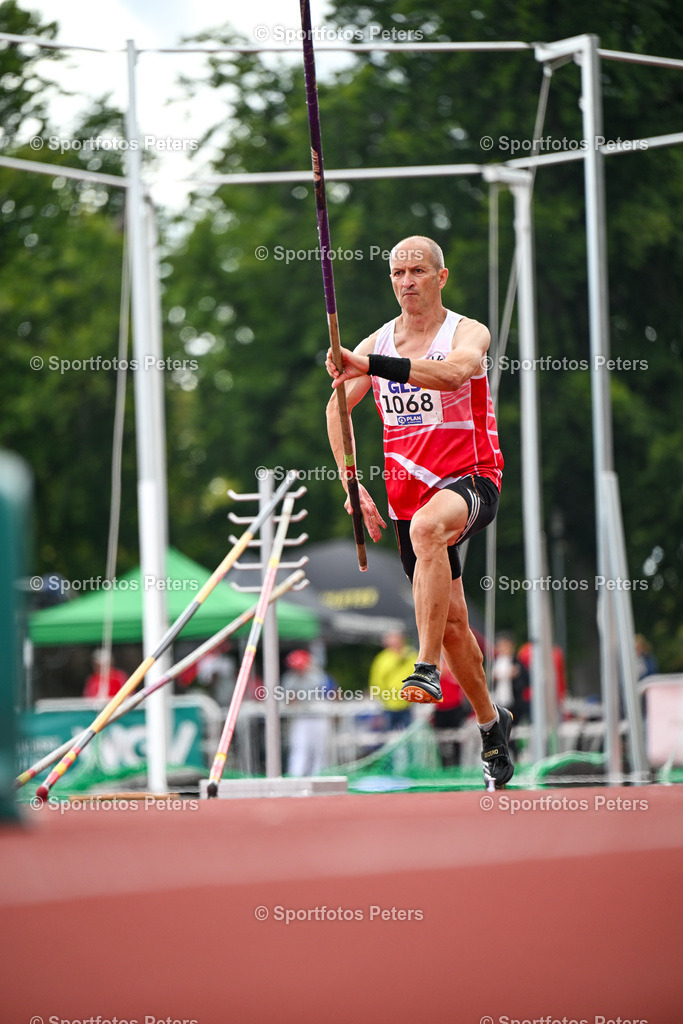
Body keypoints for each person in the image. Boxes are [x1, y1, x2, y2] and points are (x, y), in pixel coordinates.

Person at [325, 234, 513, 788]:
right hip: (408, 498)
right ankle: (490, 724)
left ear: (440, 277)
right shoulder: (377, 340)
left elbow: (455, 374)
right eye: (397, 273)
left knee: (432, 527)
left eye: (416, 271)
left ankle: (425, 669)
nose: (406, 282)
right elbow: (336, 408)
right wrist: (351, 482)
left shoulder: (466, 331)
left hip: (472, 478)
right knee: (455, 623)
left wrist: (370, 363)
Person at [282, 649, 333, 777]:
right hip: (301, 717)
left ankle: (319, 775)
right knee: (299, 747)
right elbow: (289, 699)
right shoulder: (290, 678)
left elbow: (332, 693)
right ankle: (295, 775)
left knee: (320, 750)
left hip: (319, 716)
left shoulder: (319, 676)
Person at [368, 630, 417, 731]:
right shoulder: (382, 659)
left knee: (410, 737)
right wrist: (381, 698)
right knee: (388, 737)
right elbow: (377, 681)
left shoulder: (411, 655)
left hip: (408, 704)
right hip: (388, 705)